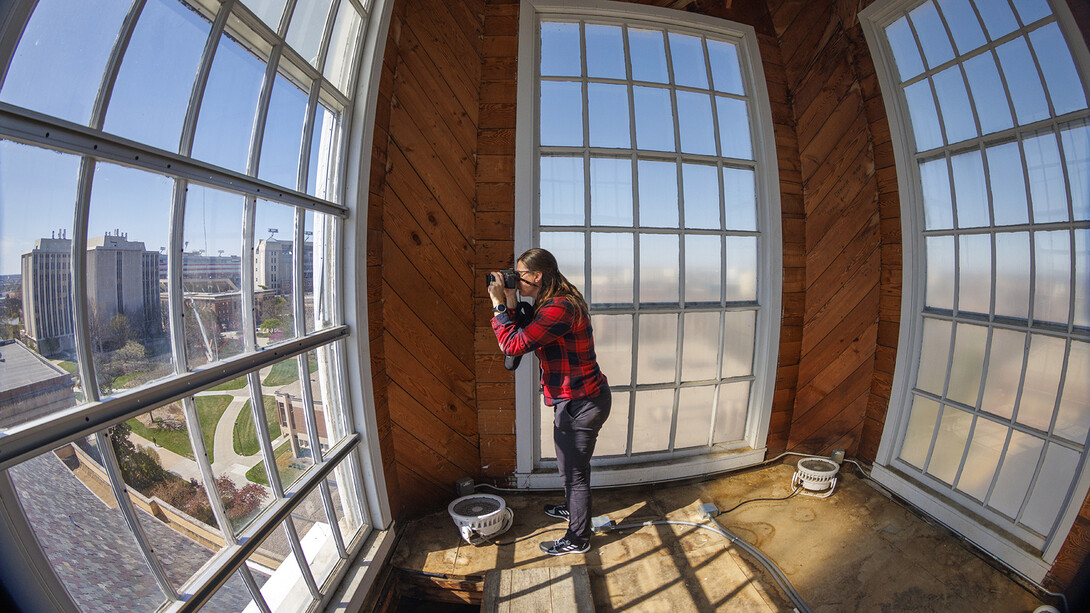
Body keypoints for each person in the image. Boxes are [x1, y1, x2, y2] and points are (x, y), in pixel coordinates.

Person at [488, 248, 611, 556]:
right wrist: (513, 300)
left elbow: (513, 344)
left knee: (574, 472)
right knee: (569, 467)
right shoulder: (555, 301)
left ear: (537, 277)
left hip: (581, 403)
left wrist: (497, 304)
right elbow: (524, 330)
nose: (515, 280)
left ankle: (578, 538)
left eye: (520, 276)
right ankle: (574, 509)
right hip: (577, 399)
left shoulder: (559, 308)